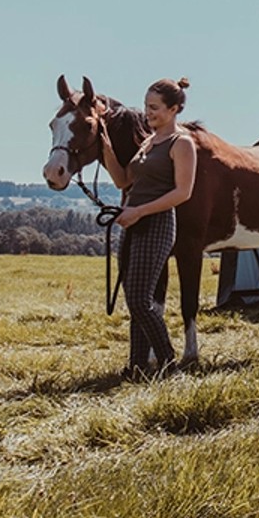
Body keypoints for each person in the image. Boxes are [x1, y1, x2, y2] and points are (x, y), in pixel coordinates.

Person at [101, 77, 198, 377]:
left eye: (154, 107)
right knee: (134, 300)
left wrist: (139, 211)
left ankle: (169, 366)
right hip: (133, 223)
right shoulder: (148, 142)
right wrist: (104, 145)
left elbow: (183, 192)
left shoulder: (181, 144)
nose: (148, 112)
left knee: (142, 300)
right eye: (146, 106)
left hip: (156, 223)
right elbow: (123, 180)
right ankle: (138, 366)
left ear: (174, 109)